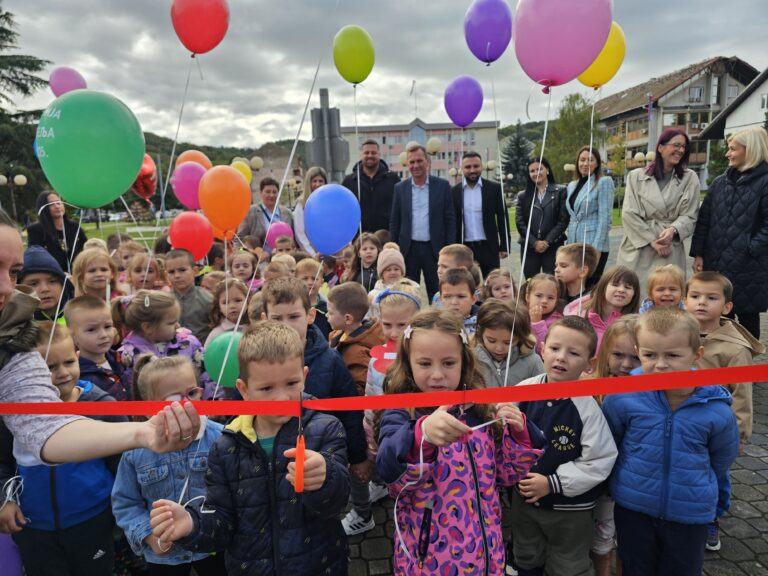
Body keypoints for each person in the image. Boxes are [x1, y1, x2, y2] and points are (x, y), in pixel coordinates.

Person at [0, 207, 201, 469]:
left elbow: (45, 426)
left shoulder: (13, 343)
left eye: (14, 272)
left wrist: (142, 433)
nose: (6, 286)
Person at [148, 322, 351, 575]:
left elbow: (338, 503)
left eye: (292, 383)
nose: (281, 398)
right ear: (243, 389)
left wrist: (326, 477)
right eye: (266, 388)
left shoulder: (325, 428)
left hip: (319, 565)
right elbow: (222, 523)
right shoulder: (225, 447)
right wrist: (192, 524)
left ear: (305, 376)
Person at [375, 308, 541, 576]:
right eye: (425, 363)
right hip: (429, 561)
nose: (438, 375)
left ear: (464, 362)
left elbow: (506, 475)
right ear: (408, 363)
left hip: (486, 553)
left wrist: (520, 435)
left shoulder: (479, 410)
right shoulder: (401, 413)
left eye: (449, 363)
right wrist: (422, 437)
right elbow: (390, 476)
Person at [602, 308, 739, 576]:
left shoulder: (717, 410)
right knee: (635, 568)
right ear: (638, 350)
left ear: (697, 355)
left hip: (689, 513)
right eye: (650, 355)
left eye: (673, 355)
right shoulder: (621, 398)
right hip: (633, 509)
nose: (661, 364)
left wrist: (716, 500)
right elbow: (612, 445)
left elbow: (721, 460)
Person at [2, 323, 125, 576]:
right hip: (33, 527)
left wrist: (121, 509)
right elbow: (1, 461)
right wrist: (5, 499)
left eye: (68, 362)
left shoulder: (103, 407)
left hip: (92, 521)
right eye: (49, 367)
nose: (62, 373)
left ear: (78, 356)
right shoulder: (13, 413)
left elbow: (123, 464)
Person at [514, 316, 618, 576]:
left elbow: (600, 459)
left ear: (590, 363)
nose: (561, 357)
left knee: (568, 563)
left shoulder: (587, 408)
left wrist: (552, 483)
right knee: (525, 554)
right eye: (555, 348)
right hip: (524, 501)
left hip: (570, 510)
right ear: (542, 348)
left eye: (573, 353)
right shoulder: (522, 391)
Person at [111, 354, 225, 575]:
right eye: (175, 400)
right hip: (165, 557)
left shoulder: (220, 438)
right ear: (148, 409)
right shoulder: (135, 453)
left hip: (213, 548)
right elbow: (125, 502)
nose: (188, 405)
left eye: (192, 393)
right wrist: (149, 535)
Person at [260, 277, 368, 471]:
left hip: (323, 455)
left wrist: (358, 457)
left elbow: (349, 412)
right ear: (264, 319)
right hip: (269, 460)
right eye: (276, 318)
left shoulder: (330, 360)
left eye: (294, 317)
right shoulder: (255, 363)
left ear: (310, 315)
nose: (286, 325)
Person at [690, 126, 768, 340]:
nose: (728, 153)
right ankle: (718, 364)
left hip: (749, 267)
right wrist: (698, 253)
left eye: (733, 149)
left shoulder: (765, 182)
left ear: (750, 150)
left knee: (748, 322)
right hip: (717, 263)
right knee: (718, 318)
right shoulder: (719, 182)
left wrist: (749, 248)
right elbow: (704, 220)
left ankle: (745, 367)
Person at [685, 271, 763, 452]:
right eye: (695, 296)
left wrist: (740, 435)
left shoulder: (736, 349)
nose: (702, 302)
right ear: (685, 302)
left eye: (712, 298)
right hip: (678, 419)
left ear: (727, 307)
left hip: (714, 424)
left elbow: (742, 395)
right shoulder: (676, 336)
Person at [616, 128, 700, 295]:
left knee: (666, 296)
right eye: (676, 145)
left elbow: (690, 214)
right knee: (635, 296)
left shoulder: (690, 178)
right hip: (639, 246)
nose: (681, 150)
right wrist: (650, 240)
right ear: (660, 147)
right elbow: (629, 213)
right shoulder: (636, 176)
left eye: (684, 147)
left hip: (668, 248)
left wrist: (673, 230)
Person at [589, 316, 641, 576]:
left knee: (628, 541)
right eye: (618, 354)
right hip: (602, 484)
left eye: (636, 357)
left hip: (634, 482)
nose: (625, 365)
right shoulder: (590, 390)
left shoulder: (651, 395)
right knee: (601, 538)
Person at [114, 290, 215, 400]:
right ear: (147, 327)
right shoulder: (128, 355)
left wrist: (210, 402)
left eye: (177, 320)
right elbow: (130, 391)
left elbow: (208, 376)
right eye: (171, 323)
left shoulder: (188, 343)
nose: (178, 325)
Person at [389, 145, 456, 300]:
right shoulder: (400, 188)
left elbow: (450, 219)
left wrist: (449, 248)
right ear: (407, 164)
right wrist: (394, 247)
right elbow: (395, 220)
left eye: (419, 160)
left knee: (438, 289)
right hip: (409, 249)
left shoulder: (442, 186)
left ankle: (439, 321)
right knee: (409, 291)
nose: (416, 165)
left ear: (428, 162)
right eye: (412, 162)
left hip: (435, 249)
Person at [451, 151, 511, 276]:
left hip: (488, 246)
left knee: (492, 284)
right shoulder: (454, 192)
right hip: (464, 247)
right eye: (468, 167)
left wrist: (505, 245)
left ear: (482, 167)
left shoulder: (494, 189)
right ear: (462, 169)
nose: (472, 170)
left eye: (476, 166)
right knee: (466, 284)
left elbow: (502, 218)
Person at [65, 295, 130, 401]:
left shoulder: (120, 359)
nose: (103, 335)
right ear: (72, 336)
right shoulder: (78, 375)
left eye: (107, 326)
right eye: (91, 330)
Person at [565, 146, 615, 282]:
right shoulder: (571, 185)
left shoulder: (603, 182)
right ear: (577, 162)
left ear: (597, 163)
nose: (585, 164)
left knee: (590, 286)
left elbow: (605, 219)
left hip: (592, 244)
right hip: (574, 244)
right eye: (582, 160)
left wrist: (596, 249)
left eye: (590, 160)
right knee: (575, 284)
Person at [563, 265, 641, 352]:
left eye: (627, 287)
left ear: (634, 294)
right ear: (603, 287)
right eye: (615, 285)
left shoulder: (636, 326)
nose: (621, 290)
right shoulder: (578, 316)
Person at [327, 282, 385, 395]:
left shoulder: (357, 352)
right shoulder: (340, 333)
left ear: (348, 319)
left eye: (330, 313)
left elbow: (359, 389)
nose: (326, 315)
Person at [516, 157, 569, 278]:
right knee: (531, 282)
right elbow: (520, 222)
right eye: (532, 171)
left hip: (553, 246)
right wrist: (534, 242)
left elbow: (563, 220)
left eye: (540, 169)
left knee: (553, 281)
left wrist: (546, 242)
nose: (536, 173)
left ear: (547, 170)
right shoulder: (523, 196)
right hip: (529, 247)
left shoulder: (560, 191)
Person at [475, 298, 543, 388]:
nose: (499, 348)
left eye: (508, 342)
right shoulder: (472, 360)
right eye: (491, 340)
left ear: (520, 337)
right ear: (480, 332)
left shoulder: (532, 362)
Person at [343, 139, 400, 233]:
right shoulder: (349, 182)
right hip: (359, 240)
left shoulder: (393, 179)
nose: (370, 155)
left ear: (379, 155)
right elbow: (343, 211)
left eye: (373, 153)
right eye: (366, 153)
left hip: (386, 239)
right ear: (361, 155)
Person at [26, 191, 87, 273]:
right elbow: (35, 257)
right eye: (51, 204)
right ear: (43, 207)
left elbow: (86, 248)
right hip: (53, 275)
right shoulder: (36, 230)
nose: (57, 206)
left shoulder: (74, 226)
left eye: (58, 202)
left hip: (79, 274)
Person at [165, 249, 213, 345]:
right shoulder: (164, 302)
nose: (177, 275)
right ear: (166, 274)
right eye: (171, 272)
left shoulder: (208, 300)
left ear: (195, 271)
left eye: (182, 270)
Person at [237, 177, 294, 250]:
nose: (271, 195)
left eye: (274, 192)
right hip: (260, 258)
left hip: (283, 256)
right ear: (261, 193)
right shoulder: (251, 212)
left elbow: (293, 238)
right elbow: (239, 238)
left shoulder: (287, 213)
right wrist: (243, 254)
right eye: (268, 192)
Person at [18, 245, 69, 324]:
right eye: (33, 284)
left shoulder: (80, 314)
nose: (45, 289)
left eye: (52, 281)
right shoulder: (14, 324)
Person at [524, 273, 565, 355]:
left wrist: (537, 324)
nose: (544, 301)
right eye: (539, 296)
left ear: (556, 301)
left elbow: (544, 350)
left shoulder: (558, 321)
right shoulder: (520, 313)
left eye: (550, 298)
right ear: (528, 297)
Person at [294, 166, 328, 255]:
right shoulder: (301, 204)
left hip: (330, 252)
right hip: (311, 254)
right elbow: (300, 233)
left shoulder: (329, 203)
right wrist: (313, 255)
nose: (318, 184)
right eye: (314, 181)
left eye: (321, 181)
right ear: (309, 183)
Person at [205, 278, 249, 347]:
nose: (232, 306)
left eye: (238, 300)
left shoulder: (254, 328)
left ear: (248, 301)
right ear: (219, 307)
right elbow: (207, 355)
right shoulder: (216, 334)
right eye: (225, 302)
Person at [295, 257, 331, 339]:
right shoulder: (292, 305)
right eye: (305, 278)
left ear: (321, 282)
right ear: (296, 280)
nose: (310, 282)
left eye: (314, 279)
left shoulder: (327, 307)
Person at [439, 267, 480, 334]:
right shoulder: (435, 325)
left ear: (473, 299)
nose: (454, 302)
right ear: (441, 299)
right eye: (447, 297)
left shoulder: (484, 323)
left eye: (461, 296)